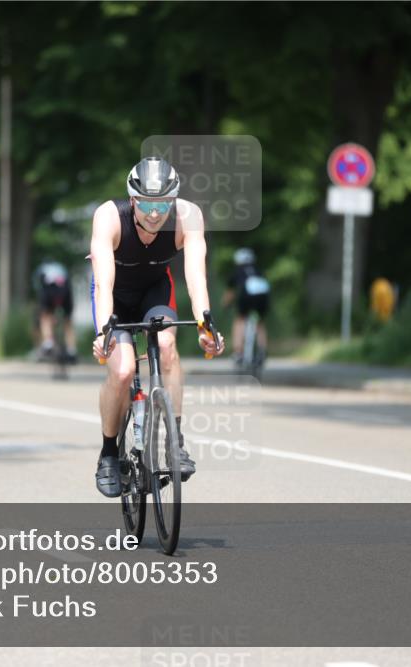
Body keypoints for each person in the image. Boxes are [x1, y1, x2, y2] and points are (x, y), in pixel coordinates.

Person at [90, 156, 224, 497]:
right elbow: (103, 284)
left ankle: (175, 444)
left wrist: (205, 324)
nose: (154, 213)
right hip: (115, 297)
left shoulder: (188, 216)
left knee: (166, 347)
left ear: (173, 200)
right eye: (146, 203)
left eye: (163, 203)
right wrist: (104, 332)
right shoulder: (109, 216)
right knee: (122, 371)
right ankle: (109, 453)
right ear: (132, 199)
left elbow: (196, 276)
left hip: (155, 291)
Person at [223, 248, 270, 366]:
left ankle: (238, 352)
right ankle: (262, 351)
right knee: (260, 322)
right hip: (262, 298)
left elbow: (230, 293)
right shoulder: (259, 271)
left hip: (246, 297)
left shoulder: (237, 271)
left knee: (239, 320)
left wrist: (226, 305)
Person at [34, 260, 76, 363]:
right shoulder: (61, 267)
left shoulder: (41, 268)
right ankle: (71, 350)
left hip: (49, 291)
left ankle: (48, 343)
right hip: (65, 291)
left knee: (45, 316)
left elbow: (37, 285)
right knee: (67, 322)